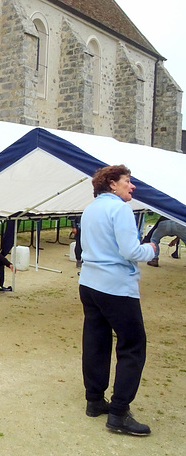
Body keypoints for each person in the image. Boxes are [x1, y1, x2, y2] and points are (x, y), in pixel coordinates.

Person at [78, 165, 156, 436]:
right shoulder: (120, 209)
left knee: (96, 340)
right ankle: (119, 413)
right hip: (115, 287)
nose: (132, 186)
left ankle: (95, 399)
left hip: (89, 283)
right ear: (112, 184)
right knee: (133, 346)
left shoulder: (90, 209)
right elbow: (131, 250)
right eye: (128, 181)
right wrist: (151, 248)